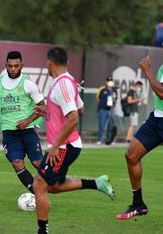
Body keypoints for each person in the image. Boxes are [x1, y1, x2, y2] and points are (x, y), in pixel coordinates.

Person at [33, 47, 115, 234]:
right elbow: (80, 109)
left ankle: (42, 231)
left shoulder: (63, 84)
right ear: (67, 62)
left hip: (64, 146)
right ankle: (97, 183)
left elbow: (73, 118)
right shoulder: (68, 81)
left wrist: (54, 146)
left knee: (39, 184)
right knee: (53, 186)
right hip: (67, 145)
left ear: (49, 62)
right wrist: (49, 111)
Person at [116, 29, 163, 220]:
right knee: (131, 155)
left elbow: (162, 92)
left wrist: (148, 70)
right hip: (158, 118)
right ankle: (138, 204)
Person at [0, 51, 45, 193]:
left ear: (22, 65)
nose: (13, 69)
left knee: (37, 163)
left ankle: (55, 184)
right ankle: (38, 193)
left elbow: (43, 107)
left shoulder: (28, 84)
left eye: (16, 66)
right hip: (9, 132)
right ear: (6, 65)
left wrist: (27, 121)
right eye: (10, 66)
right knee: (16, 162)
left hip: (28, 130)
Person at [96, 76, 116, 145]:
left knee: (111, 126)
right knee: (102, 125)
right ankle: (99, 139)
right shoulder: (102, 89)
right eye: (108, 81)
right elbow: (98, 99)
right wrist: (102, 106)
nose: (109, 82)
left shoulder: (114, 90)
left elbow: (115, 100)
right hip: (103, 109)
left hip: (111, 110)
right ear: (106, 81)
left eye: (110, 81)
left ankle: (109, 140)